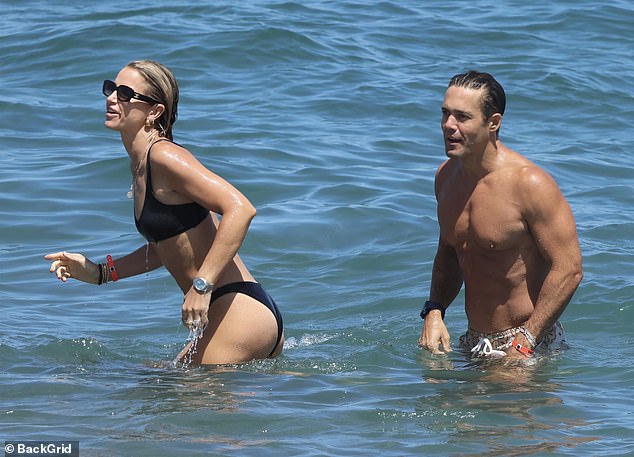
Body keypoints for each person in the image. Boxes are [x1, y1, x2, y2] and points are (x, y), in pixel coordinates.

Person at [45, 60, 283, 365]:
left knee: (167, 398)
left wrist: (201, 285)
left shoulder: (164, 156)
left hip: (236, 310)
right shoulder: (144, 163)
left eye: (126, 93)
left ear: (155, 112)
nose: (112, 97)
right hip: (242, 310)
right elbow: (169, 248)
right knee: (155, 381)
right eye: (111, 88)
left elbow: (240, 208)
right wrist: (101, 272)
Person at [418, 71, 583, 359]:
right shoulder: (445, 178)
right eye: (445, 114)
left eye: (462, 117)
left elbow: (569, 269)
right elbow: (448, 252)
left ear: (493, 123)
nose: (448, 126)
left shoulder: (529, 184)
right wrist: (434, 310)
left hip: (527, 343)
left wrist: (526, 340)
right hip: (473, 341)